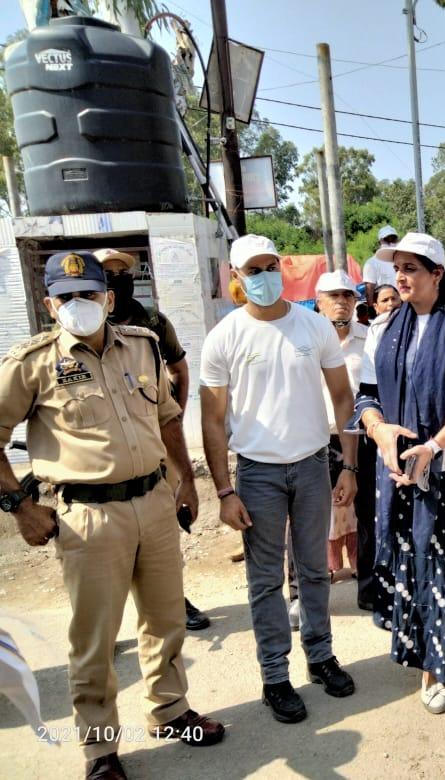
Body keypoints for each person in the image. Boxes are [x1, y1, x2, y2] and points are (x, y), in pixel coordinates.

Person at [0, 251, 225, 780]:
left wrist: (187, 481)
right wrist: (20, 507)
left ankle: (170, 711)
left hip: (154, 502)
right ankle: (100, 750)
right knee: (95, 639)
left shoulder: (142, 346)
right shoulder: (31, 363)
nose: (79, 305)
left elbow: (167, 417)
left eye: (89, 294)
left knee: (166, 619)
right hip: (88, 516)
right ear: (51, 303)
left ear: (108, 296)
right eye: (67, 297)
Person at [199, 235, 358, 725]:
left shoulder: (313, 326)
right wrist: (224, 491)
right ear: (237, 277)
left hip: (312, 466)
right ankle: (274, 677)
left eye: (271, 266)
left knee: (314, 570)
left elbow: (343, 398)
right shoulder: (224, 336)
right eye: (253, 270)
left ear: (281, 270)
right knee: (266, 581)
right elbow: (212, 418)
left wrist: (347, 464)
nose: (264, 277)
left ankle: (320, 656)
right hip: (257, 474)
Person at [351, 231, 445, 714]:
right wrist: (379, 433)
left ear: (437, 274)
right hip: (400, 475)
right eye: (396, 268)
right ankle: (428, 667)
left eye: (412, 268)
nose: (400, 276)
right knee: (418, 566)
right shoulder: (382, 330)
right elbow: (365, 398)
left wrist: (434, 446)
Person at [98, 247, 211, 632]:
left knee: (161, 526)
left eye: (121, 273)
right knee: (104, 541)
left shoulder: (154, 323)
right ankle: (105, 622)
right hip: (105, 451)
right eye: (107, 274)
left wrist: (173, 415)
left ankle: (173, 601)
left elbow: (179, 369)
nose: (116, 281)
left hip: (152, 445)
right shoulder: (82, 324)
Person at [308, 272, 377, 609]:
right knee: (312, 516)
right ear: (318, 300)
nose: (341, 302)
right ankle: (308, 595)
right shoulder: (305, 339)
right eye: (333, 295)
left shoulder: (371, 337)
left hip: (362, 438)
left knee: (368, 513)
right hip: (318, 439)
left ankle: (370, 589)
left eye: (347, 295)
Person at [363, 225, 400, 306]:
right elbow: (369, 288)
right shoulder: (371, 263)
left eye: (393, 239)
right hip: (384, 305)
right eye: (387, 239)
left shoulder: (402, 260)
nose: (390, 242)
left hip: (402, 303)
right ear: (379, 242)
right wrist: (371, 307)